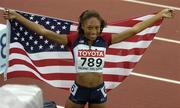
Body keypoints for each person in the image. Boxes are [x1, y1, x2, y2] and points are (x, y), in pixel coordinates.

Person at [2, 8, 174, 108]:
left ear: (101, 28)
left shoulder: (106, 40)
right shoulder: (73, 39)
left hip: (98, 90)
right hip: (79, 89)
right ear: (82, 26)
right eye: (89, 27)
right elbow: (44, 32)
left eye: (97, 28)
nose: (93, 31)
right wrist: (17, 17)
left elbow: (134, 30)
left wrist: (159, 15)